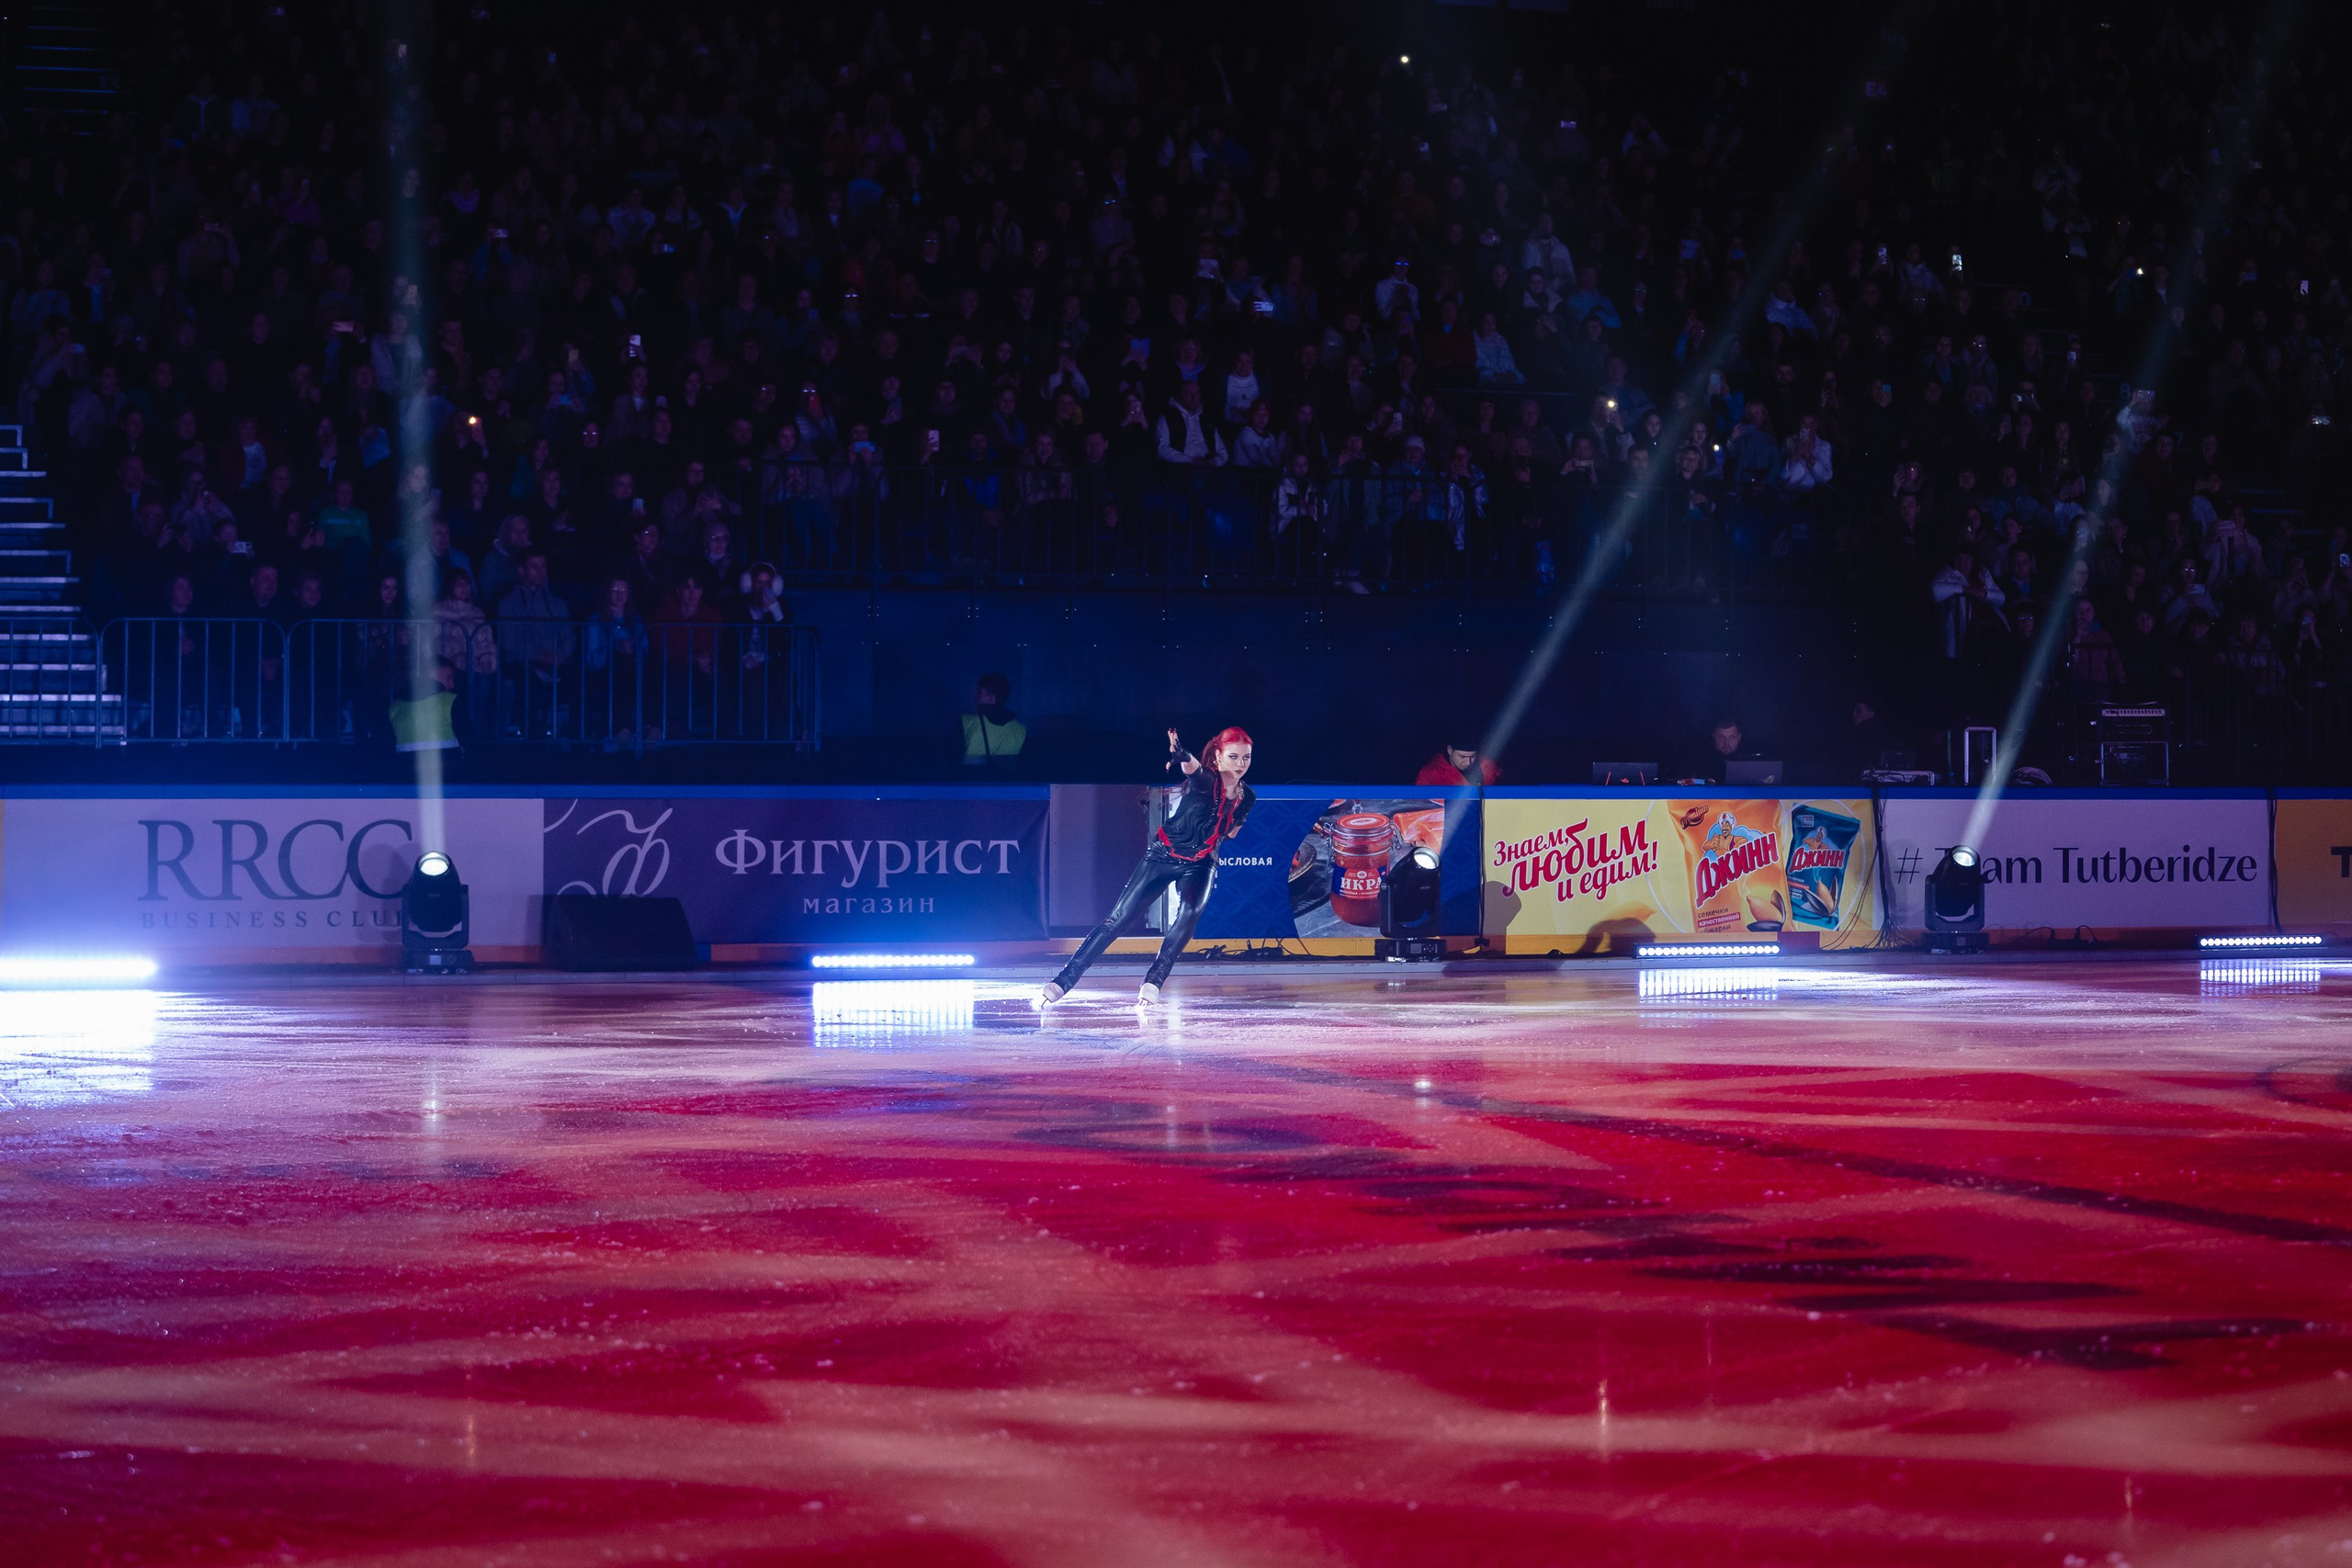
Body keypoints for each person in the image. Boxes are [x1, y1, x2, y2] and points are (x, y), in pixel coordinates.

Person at [1039, 726, 1255, 1009]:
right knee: (1119, 920)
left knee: (1190, 913)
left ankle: (1153, 981)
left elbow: (1232, 833)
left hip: (1201, 863)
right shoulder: (1207, 781)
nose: (1240, 765)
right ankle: (1062, 981)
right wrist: (1184, 755)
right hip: (1163, 856)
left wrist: (1213, 831)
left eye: (1246, 758)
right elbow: (1194, 770)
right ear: (1218, 756)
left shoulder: (1247, 796)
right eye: (1234, 756)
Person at [961, 671, 1027, 768]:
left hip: (971, 781)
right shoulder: (1021, 730)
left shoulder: (965, 724)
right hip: (1008, 782)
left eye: (980, 693)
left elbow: (951, 762)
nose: (975, 697)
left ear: (991, 698)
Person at [1416, 736, 1501, 785]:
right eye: (1462, 756)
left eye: (1472, 756)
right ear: (1450, 750)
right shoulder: (1430, 773)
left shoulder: (1488, 766)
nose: (1468, 762)